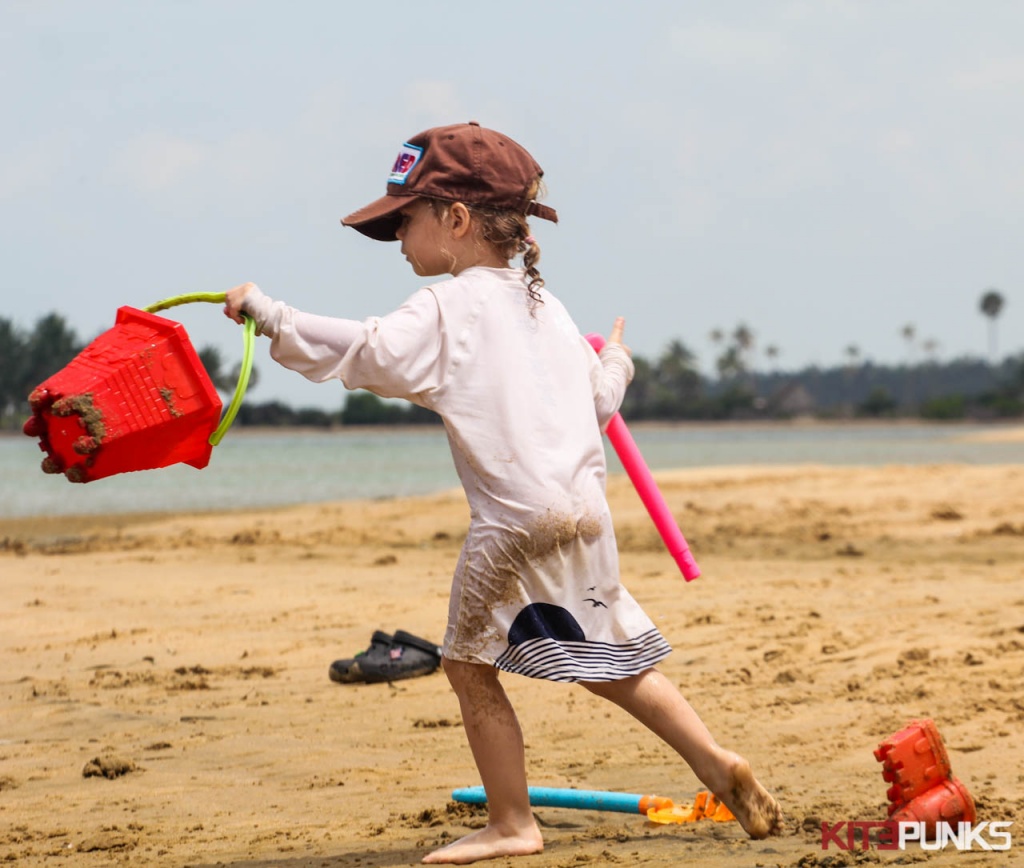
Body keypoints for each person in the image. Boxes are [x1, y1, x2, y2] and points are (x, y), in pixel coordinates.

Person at [224, 121, 783, 865]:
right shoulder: (547, 308)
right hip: (585, 514)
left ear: (455, 222)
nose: (397, 238)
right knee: (613, 662)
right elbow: (600, 403)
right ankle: (714, 760)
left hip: (512, 525)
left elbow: (368, 354)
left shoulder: (448, 306)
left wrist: (270, 315)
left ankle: (513, 822)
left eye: (406, 220)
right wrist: (616, 358)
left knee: (466, 663)